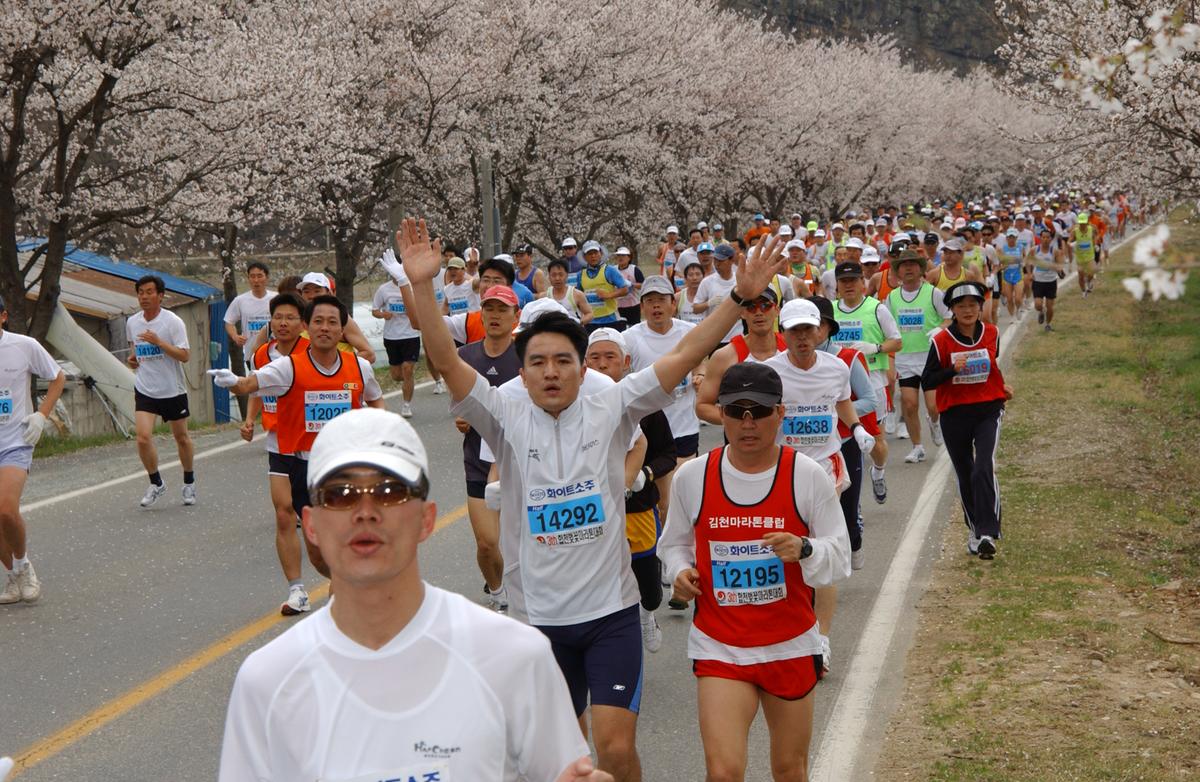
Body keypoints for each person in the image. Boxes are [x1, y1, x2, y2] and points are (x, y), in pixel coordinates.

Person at [401, 216, 785, 782]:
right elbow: (446, 359)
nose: (551, 372)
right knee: (560, 760)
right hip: (536, 622)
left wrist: (737, 299)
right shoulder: (501, 411)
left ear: (583, 368)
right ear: (522, 373)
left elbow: (684, 355)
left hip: (610, 615)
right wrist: (424, 287)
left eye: (563, 361)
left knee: (616, 747)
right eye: (537, 362)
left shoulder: (611, 403)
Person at [218, 408, 613, 782]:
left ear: (427, 519)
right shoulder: (267, 681)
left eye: (389, 491)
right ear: (312, 524)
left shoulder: (513, 655)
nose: (365, 511)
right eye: (340, 495)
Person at [661, 362, 850, 782]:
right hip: (720, 646)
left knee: (789, 770)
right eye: (736, 410)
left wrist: (803, 548)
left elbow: (839, 556)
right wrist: (679, 571)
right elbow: (673, 545)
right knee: (724, 771)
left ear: (780, 413)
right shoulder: (693, 477)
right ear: (720, 414)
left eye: (760, 411)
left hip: (789, 644)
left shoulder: (806, 475)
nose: (748, 423)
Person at [210, 295, 385, 579]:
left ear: (342, 331)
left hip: (345, 468)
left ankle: (348, 595)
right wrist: (234, 383)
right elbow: (251, 383)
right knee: (317, 554)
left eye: (332, 323)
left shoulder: (359, 367)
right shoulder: (288, 366)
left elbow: (376, 400)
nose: (324, 328)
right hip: (302, 464)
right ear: (308, 327)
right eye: (318, 322)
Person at [765, 298, 875, 674]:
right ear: (784, 334)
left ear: (819, 331)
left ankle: (820, 639)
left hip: (827, 467)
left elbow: (842, 404)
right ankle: (789, 631)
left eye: (808, 330)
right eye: (794, 331)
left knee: (822, 549)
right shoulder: (768, 373)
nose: (802, 338)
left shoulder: (836, 367)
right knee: (787, 549)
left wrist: (857, 428)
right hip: (785, 469)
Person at [584, 327, 676, 653]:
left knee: (648, 584)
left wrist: (646, 473)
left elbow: (668, 453)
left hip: (637, 506)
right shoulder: (574, 406)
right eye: (594, 358)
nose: (602, 364)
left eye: (610, 357)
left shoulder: (642, 404)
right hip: (593, 510)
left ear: (625, 362)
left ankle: (647, 612)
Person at [921, 282, 1014, 561]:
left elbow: (991, 365)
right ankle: (974, 531)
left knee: (983, 467)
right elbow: (928, 379)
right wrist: (951, 370)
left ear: (980, 307)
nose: (968, 310)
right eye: (961, 306)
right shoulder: (940, 341)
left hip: (988, 409)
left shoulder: (993, 333)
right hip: (954, 413)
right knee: (965, 472)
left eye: (973, 305)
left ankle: (988, 533)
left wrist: (1002, 387)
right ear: (952, 310)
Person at [239, 294, 312, 615]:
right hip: (279, 442)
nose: (283, 323)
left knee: (316, 522)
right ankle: (297, 590)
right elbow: (258, 388)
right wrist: (249, 418)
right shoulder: (260, 354)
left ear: (302, 324)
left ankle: (341, 576)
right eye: (277, 317)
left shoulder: (312, 353)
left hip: (313, 443)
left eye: (290, 317)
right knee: (284, 514)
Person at [455, 285, 523, 613]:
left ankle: (522, 590)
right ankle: (498, 592)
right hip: (478, 460)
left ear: (516, 315)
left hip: (521, 461)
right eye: (489, 309)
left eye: (502, 309)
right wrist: (462, 418)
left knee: (521, 540)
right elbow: (459, 403)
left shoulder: (526, 353)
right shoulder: (465, 356)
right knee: (486, 542)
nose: (495, 316)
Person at [0, 295, 65, 605]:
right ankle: (13, 575)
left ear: (2, 316)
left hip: (15, 441)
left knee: (5, 510)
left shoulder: (23, 345)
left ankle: (24, 565)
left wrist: (42, 414)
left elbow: (58, 377)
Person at [829, 262, 899, 510]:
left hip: (872, 383)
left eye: (853, 281)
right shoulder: (831, 311)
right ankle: (850, 497)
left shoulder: (877, 309)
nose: (849, 286)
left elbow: (896, 342)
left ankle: (878, 472)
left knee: (876, 442)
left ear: (862, 283)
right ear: (836, 285)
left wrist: (876, 348)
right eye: (843, 281)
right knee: (842, 441)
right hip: (838, 383)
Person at [127, 275, 197, 508]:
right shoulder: (133, 322)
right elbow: (136, 353)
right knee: (143, 437)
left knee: (182, 438)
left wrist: (160, 343)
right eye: (140, 292)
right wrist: (134, 361)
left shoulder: (172, 322)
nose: (144, 297)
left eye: (149, 292)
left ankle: (189, 481)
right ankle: (156, 483)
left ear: (160, 295)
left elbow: (184, 356)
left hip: (172, 390)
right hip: (145, 388)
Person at [888, 250, 951, 464]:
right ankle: (917, 447)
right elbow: (886, 326)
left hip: (930, 357)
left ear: (921, 268)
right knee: (909, 404)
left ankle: (934, 422)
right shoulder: (892, 297)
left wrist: (939, 330)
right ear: (897, 271)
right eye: (903, 265)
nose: (908, 269)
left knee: (933, 406)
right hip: (905, 358)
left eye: (912, 264)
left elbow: (950, 318)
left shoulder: (933, 293)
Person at [695, 287, 786, 424]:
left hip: (787, 442)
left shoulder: (790, 348)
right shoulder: (725, 356)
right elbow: (702, 406)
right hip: (742, 442)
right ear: (742, 313)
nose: (759, 312)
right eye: (751, 307)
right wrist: (740, 421)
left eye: (765, 306)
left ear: (777, 310)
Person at [370, 256, 422, 418]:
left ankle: (406, 405)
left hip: (411, 335)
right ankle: (407, 381)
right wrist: (383, 314)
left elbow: (422, 308)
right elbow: (374, 310)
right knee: (397, 375)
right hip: (392, 337)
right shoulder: (384, 289)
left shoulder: (411, 288)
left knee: (407, 369)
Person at [692, 243, 741, 349]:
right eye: (715, 260)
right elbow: (695, 308)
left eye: (721, 261)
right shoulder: (707, 282)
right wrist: (709, 303)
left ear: (731, 260)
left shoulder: (739, 280)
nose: (717, 264)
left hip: (736, 335)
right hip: (714, 337)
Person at [578, 241, 630, 333]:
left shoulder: (610, 270)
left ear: (601, 253)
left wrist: (608, 295)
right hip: (590, 321)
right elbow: (578, 296)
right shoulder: (581, 275)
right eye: (589, 254)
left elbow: (625, 289)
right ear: (585, 257)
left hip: (610, 319)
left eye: (595, 253)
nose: (593, 256)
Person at [222, 261, 276, 351]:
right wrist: (235, 336)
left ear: (267, 278)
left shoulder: (276, 298)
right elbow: (228, 322)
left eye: (259, 276)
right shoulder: (240, 300)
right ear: (248, 278)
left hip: (274, 353)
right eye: (252, 276)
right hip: (251, 354)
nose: (256, 280)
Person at [1028, 229, 1065, 331]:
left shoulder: (1054, 251)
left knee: (1050, 306)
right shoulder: (1034, 250)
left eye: (1047, 237)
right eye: (1043, 237)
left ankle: (1048, 324)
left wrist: (1060, 270)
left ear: (1051, 239)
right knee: (1038, 305)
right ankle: (1041, 311)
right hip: (1038, 281)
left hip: (1051, 282)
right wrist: (1030, 274)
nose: (1045, 239)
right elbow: (1028, 262)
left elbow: (1059, 265)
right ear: (1040, 238)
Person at [543, 258, 595, 325]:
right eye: (554, 275)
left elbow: (590, 314)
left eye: (561, 274)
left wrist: (578, 323)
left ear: (567, 275)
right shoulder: (545, 297)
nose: (557, 278)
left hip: (573, 333)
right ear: (549, 276)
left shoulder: (577, 295)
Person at [613, 248, 644, 325]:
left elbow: (643, 285)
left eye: (623, 255)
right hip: (618, 306)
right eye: (618, 255)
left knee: (634, 327)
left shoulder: (634, 269)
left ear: (629, 258)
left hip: (633, 305)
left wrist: (631, 284)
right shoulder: (613, 270)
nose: (620, 258)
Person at [1071, 211, 1098, 297]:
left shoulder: (1091, 229)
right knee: (1080, 275)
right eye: (1081, 223)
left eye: (1084, 223)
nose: (1082, 225)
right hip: (1080, 258)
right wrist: (1071, 244)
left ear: (1087, 222)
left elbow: (1095, 236)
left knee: (1092, 272)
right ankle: (1083, 291)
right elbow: (1069, 240)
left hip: (1090, 256)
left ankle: (1089, 281)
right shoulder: (1075, 231)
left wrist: (1095, 244)